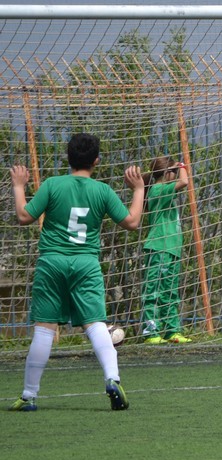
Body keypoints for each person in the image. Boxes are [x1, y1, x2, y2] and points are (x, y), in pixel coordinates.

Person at [8, 133, 144, 412]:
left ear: (67, 158)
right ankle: (113, 379)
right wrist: (139, 189)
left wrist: (19, 186)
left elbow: (24, 217)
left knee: (44, 328)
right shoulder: (102, 191)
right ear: (97, 161)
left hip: (52, 262)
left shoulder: (52, 184)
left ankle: (29, 396)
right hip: (86, 264)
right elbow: (132, 222)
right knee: (95, 324)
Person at [139, 156, 191, 344]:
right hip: (158, 248)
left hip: (172, 249)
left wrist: (176, 168)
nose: (177, 175)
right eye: (174, 172)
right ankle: (151, 332)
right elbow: (184, 182)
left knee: (170, 292)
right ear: (167, 173)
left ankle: (171, 331)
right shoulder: (158, 189)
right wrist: (182, 165)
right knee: (154, 291)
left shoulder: (164, 190)